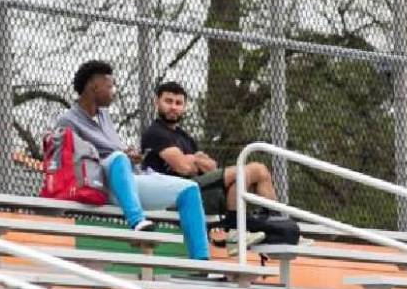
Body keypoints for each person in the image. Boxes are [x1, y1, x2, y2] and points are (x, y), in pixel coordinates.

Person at [54, 61, 211, 262]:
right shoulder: (67, 121)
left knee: (189, 189)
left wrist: (128, 155)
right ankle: (137, 221)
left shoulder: (104, 116)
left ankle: (201, 262)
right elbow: (66, 160)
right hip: (99, 183)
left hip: (127, 178)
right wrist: (117, 155)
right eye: (110, 86)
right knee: (117, 158)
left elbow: (114, 151)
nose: (114, 91)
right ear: (94, 86)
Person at [140, 82, 299, 254]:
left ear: (184, 106)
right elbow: (184, 167)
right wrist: (193, 160)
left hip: (197, 192)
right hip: (175, 195)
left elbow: (211, 167)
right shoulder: (155, 132)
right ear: (157, 102)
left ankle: (273, 228)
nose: (173, 107)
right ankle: (240, 227)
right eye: (168, 101)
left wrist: (191, 160)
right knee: (256, 169)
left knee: (247, 176)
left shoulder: (184, 138)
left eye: (178, 103)